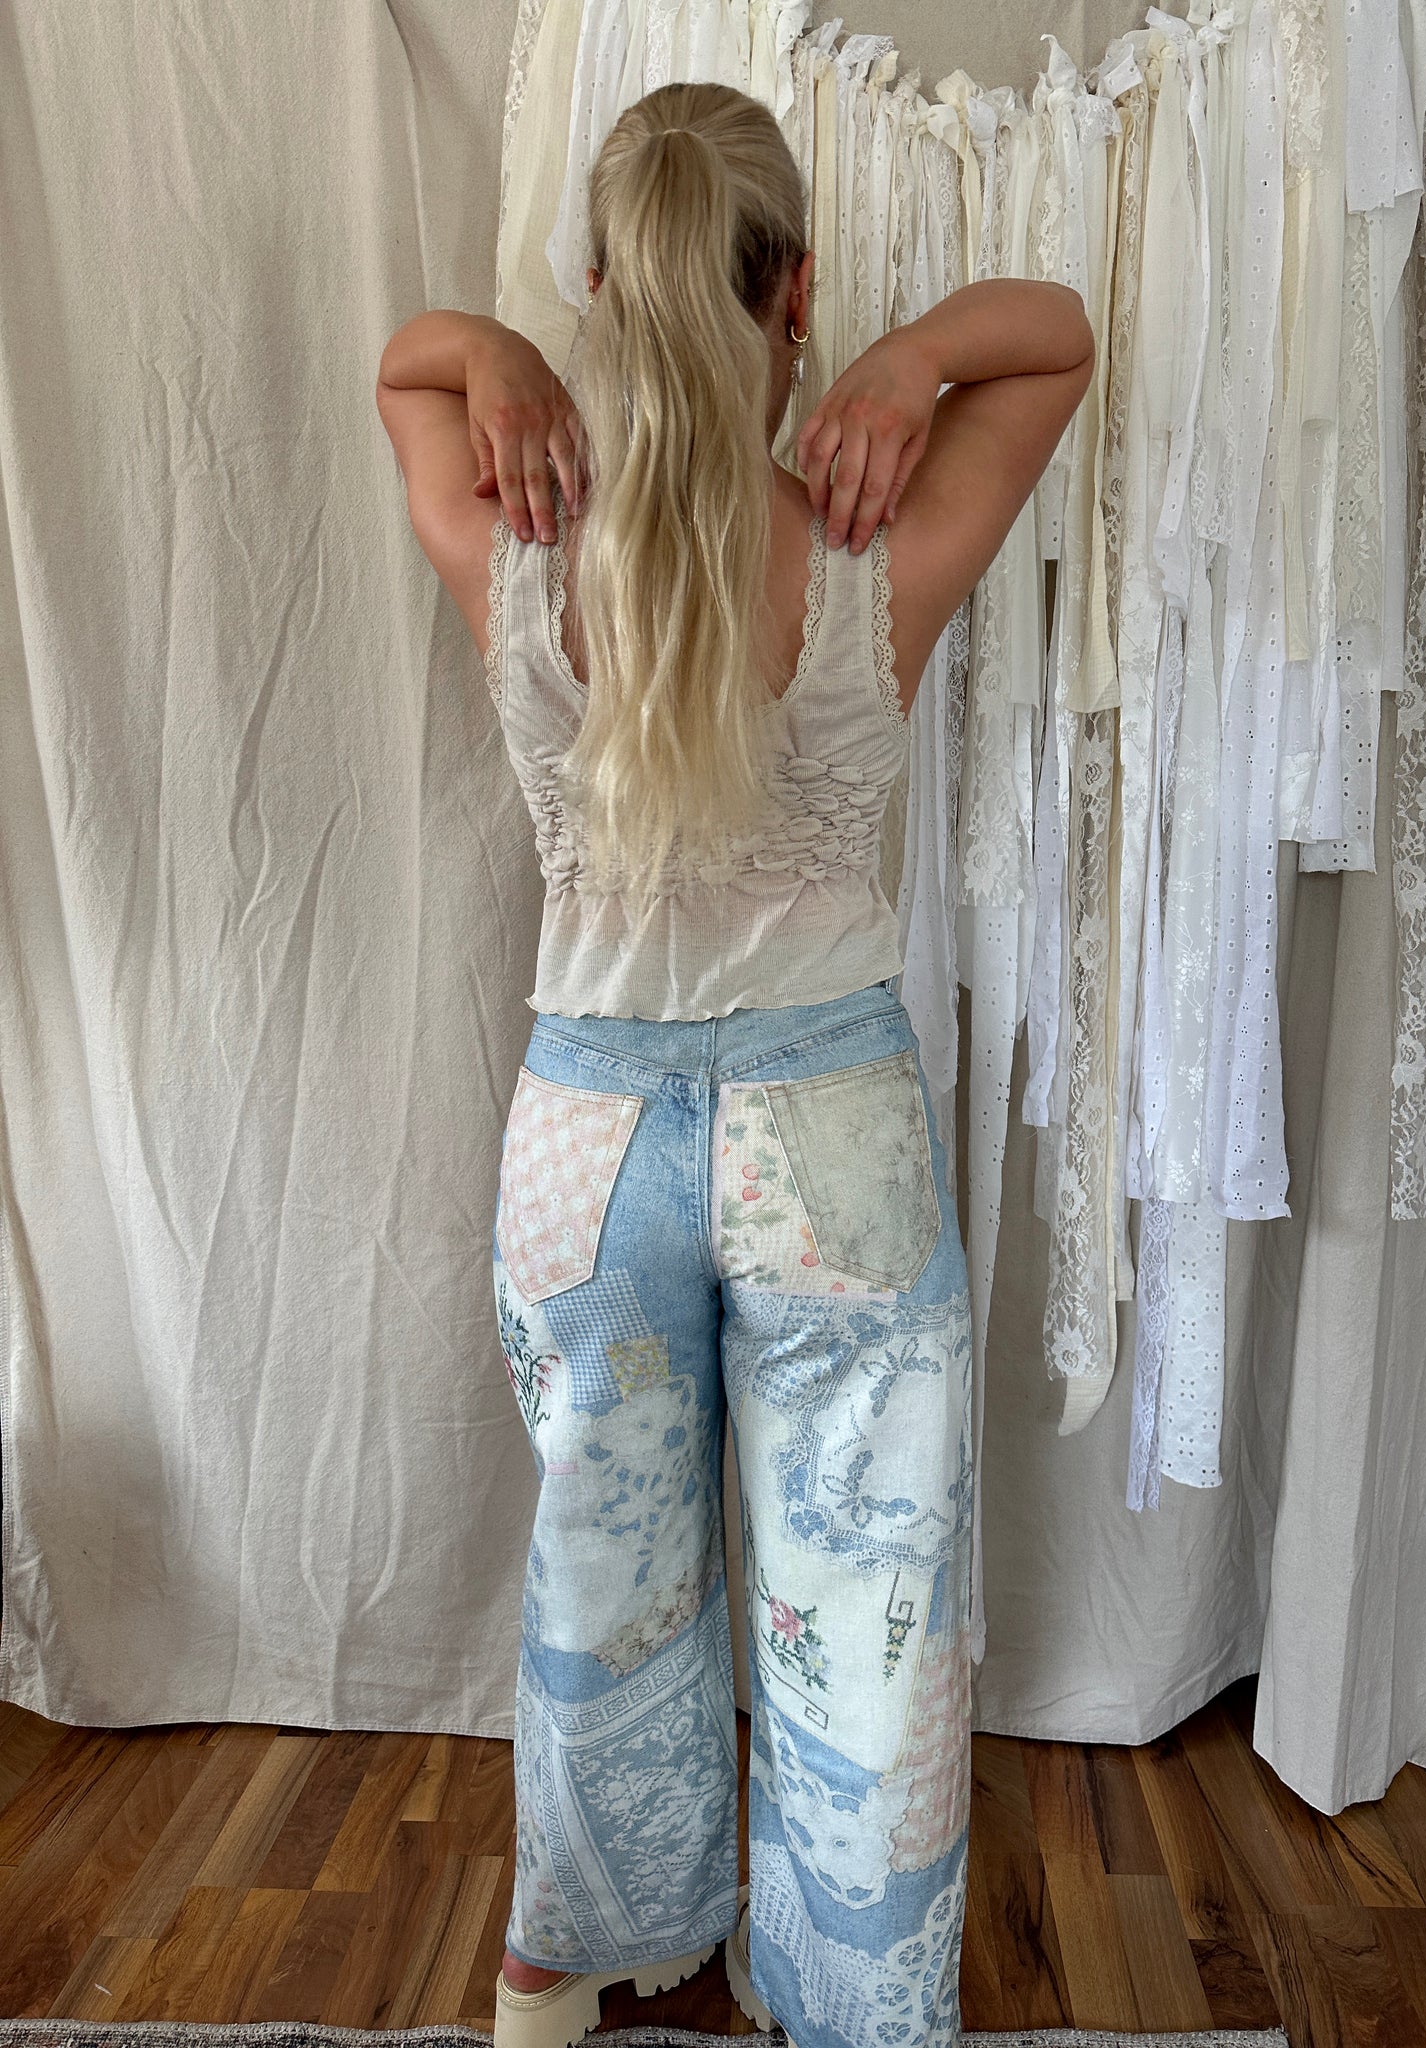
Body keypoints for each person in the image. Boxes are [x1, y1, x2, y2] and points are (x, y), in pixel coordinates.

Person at [376, 77, 1092, 2048]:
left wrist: (498, 352)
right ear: (794, 294)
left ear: (608, 292)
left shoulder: (519, 540)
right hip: (826, 1136)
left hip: (585, 1144)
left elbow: (403, 370)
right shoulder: (878, 540)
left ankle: (560, 1967)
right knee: (868, 1616)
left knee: (598, 1578)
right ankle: (853, 2008)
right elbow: (1059, 339)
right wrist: (909, 357)